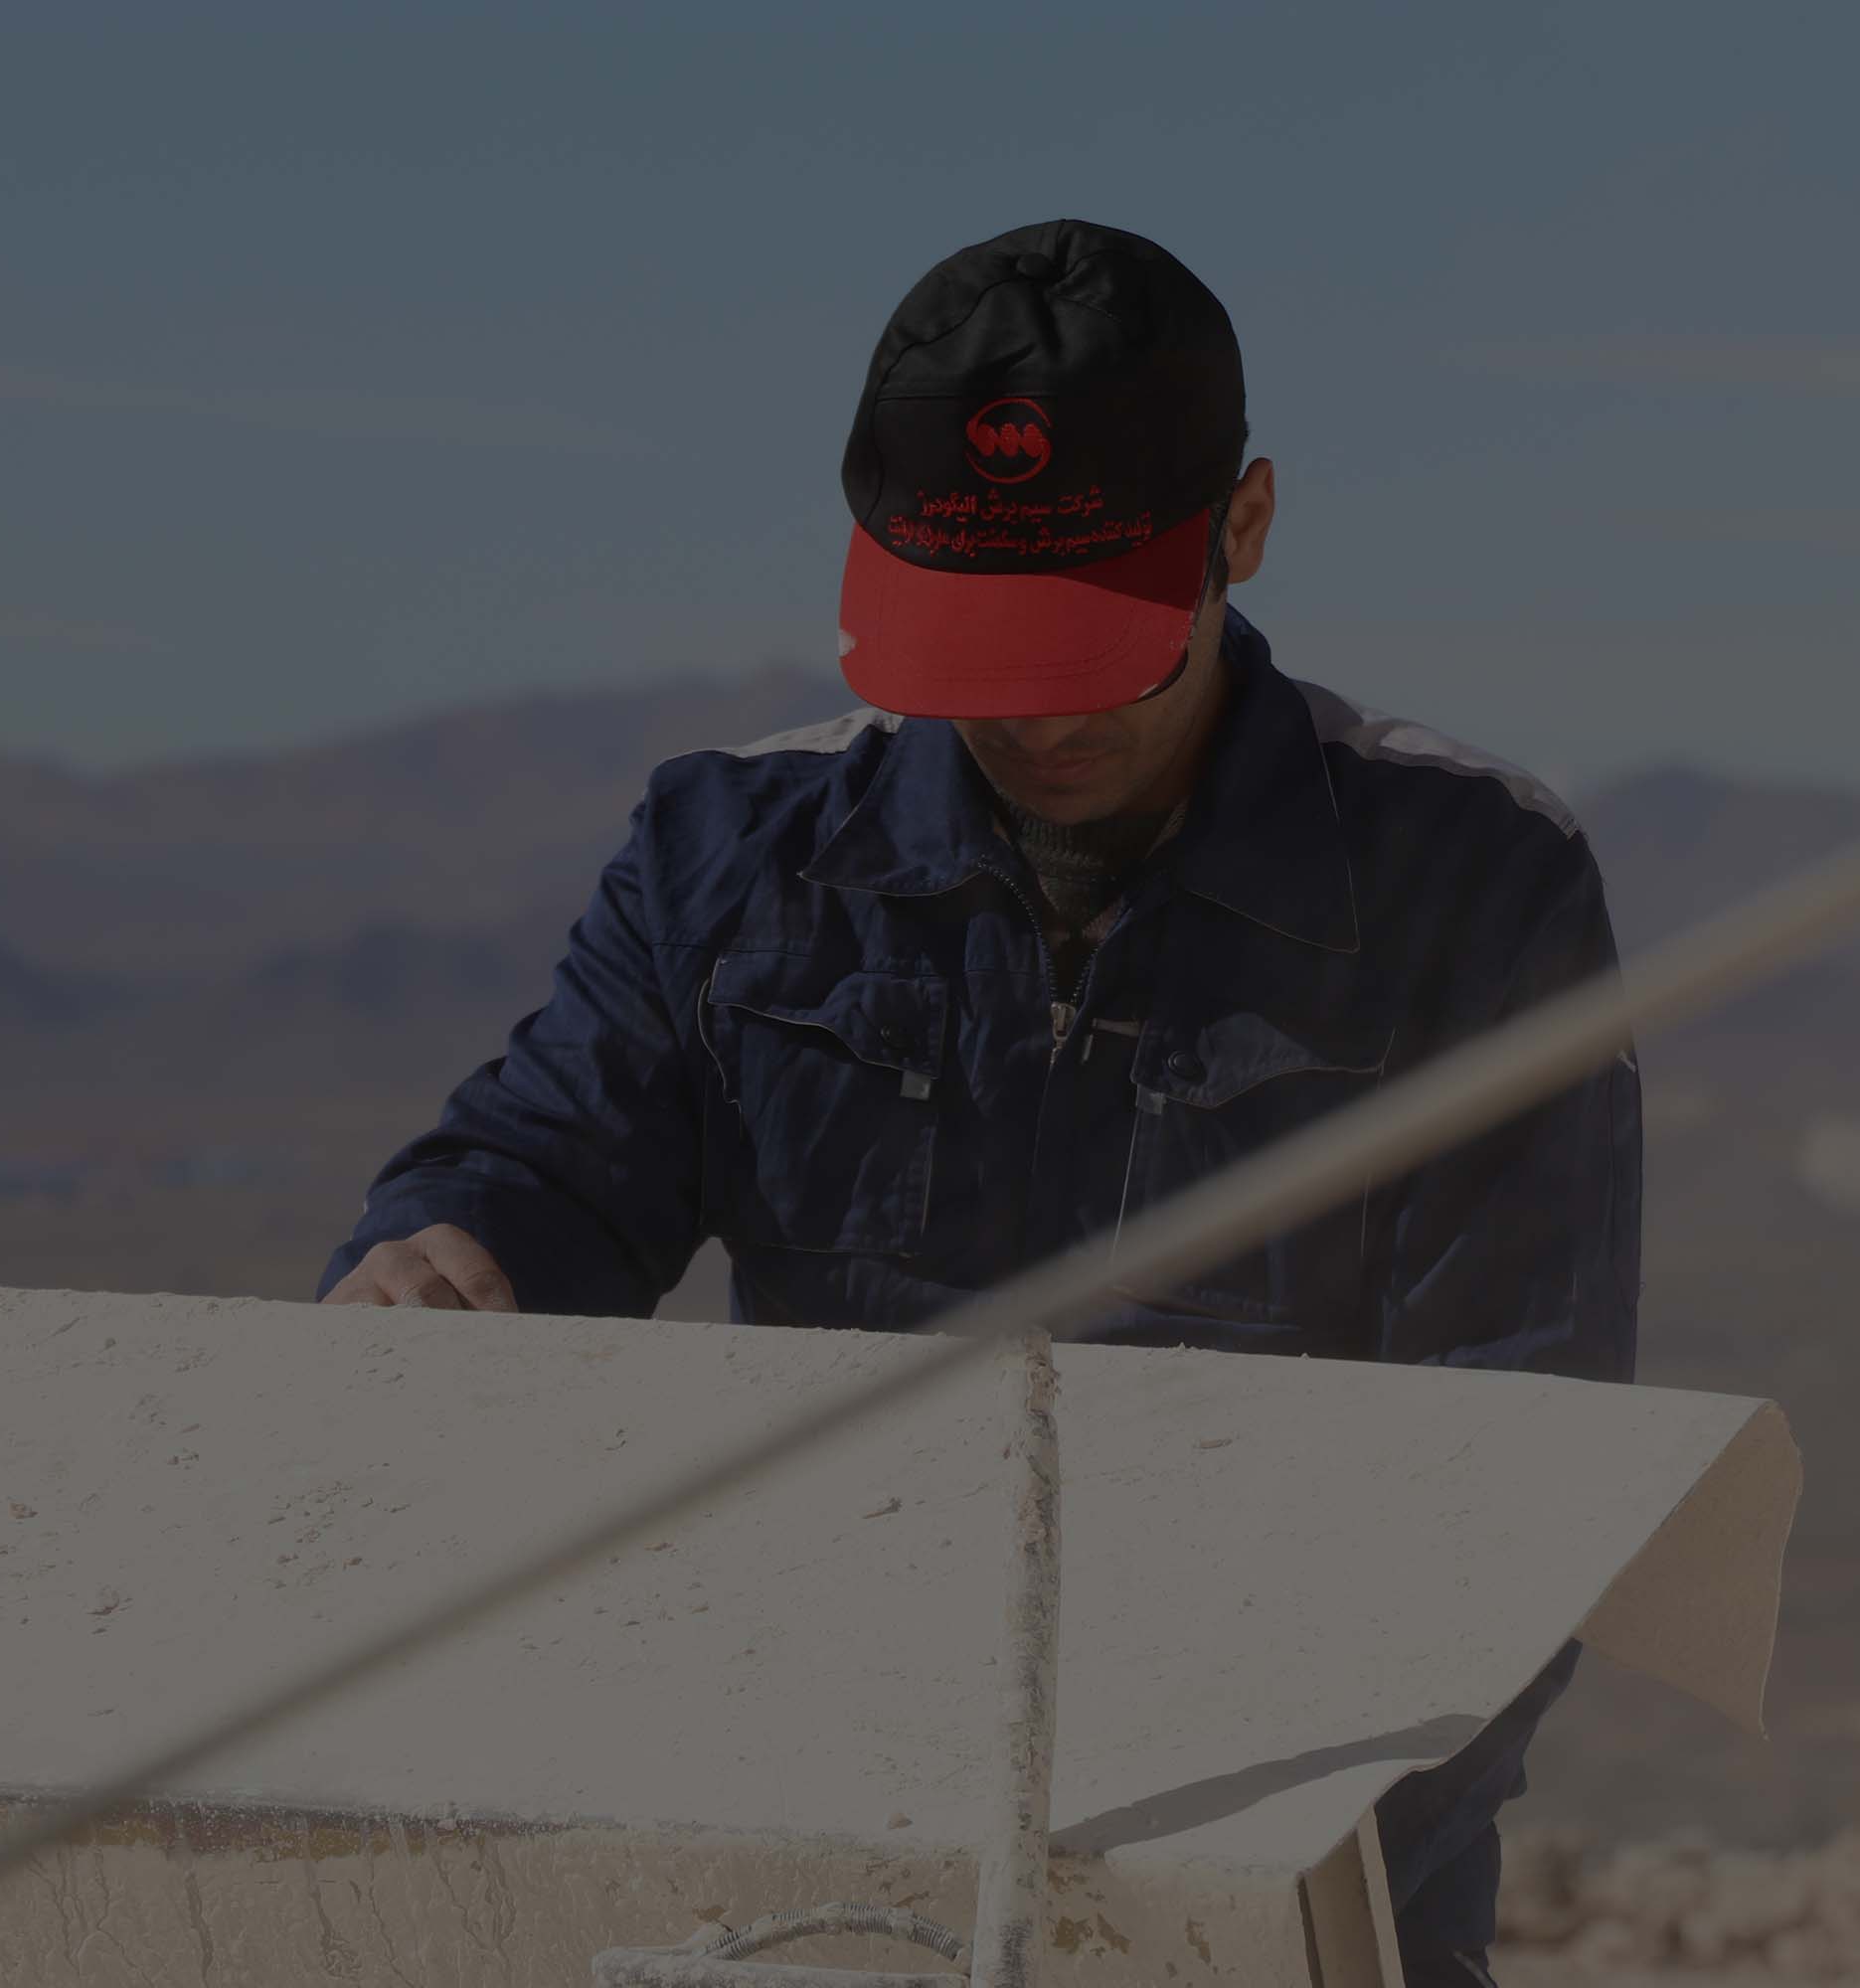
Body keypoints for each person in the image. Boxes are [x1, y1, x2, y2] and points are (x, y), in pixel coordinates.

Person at [319, 218, 1640, 1984]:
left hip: (1291, 1881)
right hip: (813, 1858)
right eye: (980, 651)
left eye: (1094, 649)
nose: (1038, 721)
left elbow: (1521, 1469)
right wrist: (447, 1252)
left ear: (1243, 528)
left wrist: (1220, 1884)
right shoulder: (733, 859)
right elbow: (546, 1162)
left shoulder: (1472, 885)